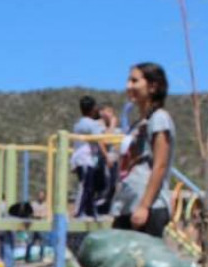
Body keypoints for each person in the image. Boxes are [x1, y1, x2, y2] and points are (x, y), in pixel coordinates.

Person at [111, 62, 175, 238]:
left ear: (152, 86)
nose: (128, 86)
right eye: (128, 80)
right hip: (127, 205)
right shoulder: (137, 124)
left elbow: (160, 165)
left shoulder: (159, 119)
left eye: (134, 81)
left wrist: (144, 206)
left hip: (147, 208)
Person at [72, 95, 106, 218]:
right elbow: (100, 140)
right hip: (86, 159)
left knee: (89, 186)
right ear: (92, 109)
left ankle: (89, 211)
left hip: (79, 158)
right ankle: (78, 211)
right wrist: (106, 157)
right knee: (85, 185)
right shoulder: (92, 124)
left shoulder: (78, 124)